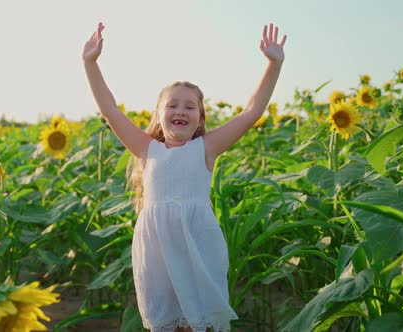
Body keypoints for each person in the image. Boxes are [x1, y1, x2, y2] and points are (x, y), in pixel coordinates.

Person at [82, 22, 287, 332]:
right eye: (172, 104)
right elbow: (110, 109)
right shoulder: (147, 149)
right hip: (157, 251)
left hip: (198, 245)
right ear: (159, 115)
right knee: (164, 320)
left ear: (200, 118)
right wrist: (90, 63)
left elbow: (251, 111)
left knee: (199, 320)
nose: (181, 110)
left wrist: (273, 64)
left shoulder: (206, 148)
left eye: (190, 106)